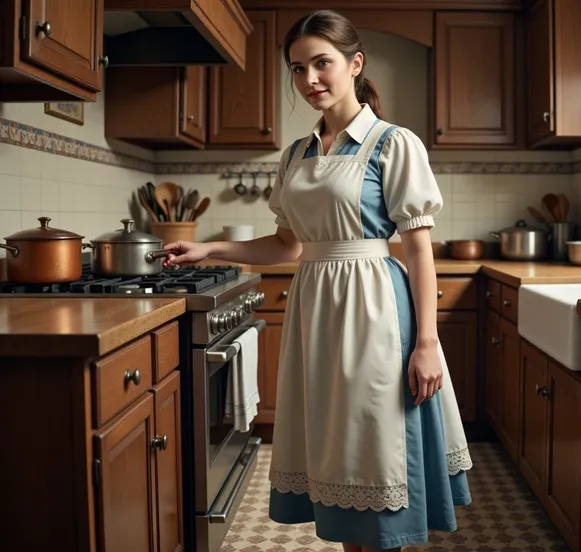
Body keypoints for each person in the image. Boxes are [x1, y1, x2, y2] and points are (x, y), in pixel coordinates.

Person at [162, 9, 472, 552]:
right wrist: (210, 247)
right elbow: (287, 245)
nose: (310, 80)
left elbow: (418, 251)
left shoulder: (393, 144)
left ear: (354, 63)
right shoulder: (296, 155)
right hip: (318, 314)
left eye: (322, 63)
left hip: (375, 310)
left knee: (376, 450)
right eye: (298, 68)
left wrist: (427, 343)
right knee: (338, 453)